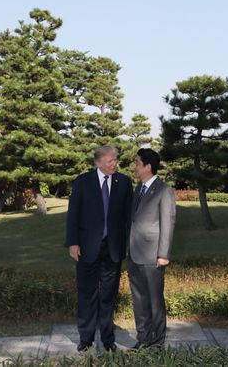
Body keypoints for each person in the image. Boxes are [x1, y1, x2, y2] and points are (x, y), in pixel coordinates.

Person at [65, 145, 133, 353]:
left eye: (115, 160)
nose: (114, 164)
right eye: (110, 161)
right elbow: (73, 214)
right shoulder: (83, 182)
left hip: (113, 250)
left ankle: (107, 339)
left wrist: (129, 245)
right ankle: (85, 339)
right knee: (86, 294)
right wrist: (73, 243)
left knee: (108, 297)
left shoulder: (124, 182)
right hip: (86, 249)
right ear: (98, 162)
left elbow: (128, 218)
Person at [128, 148, 176, 349]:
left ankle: (157, 343)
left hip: (153, 255)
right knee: (139, 301)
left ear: (148, 166)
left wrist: (163, 254)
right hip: (134, 253)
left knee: (155, 302)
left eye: (138, 162)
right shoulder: (138, 189)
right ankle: (143, 339)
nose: (135, 166)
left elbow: (168, 222)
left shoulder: (164, 190)